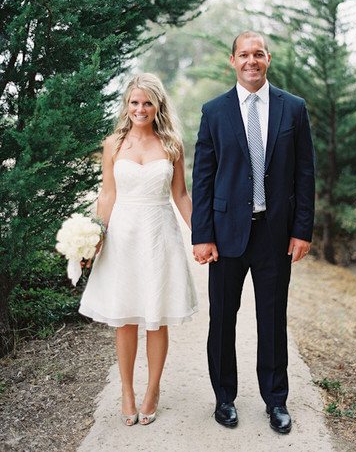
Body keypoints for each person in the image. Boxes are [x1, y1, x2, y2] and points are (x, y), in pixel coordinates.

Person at [191, 31, 315, 434]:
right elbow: (203, 178)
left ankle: (275, 401)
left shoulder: (293, 108)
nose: (251, 61)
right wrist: (202, 235)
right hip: (226, 234)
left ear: (268, 59)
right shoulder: (214, 111)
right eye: (244, 54)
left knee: (273, 320)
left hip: (275, 234)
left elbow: (305, 173)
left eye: (258, 54)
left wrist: (302, 230)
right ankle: (224, 398)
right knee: (222, 319)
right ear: (233, 61)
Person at [79, 73, 198, 426]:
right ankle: (127, 391)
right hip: (123, 237)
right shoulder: (113, 144)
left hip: (160, 235)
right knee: (126, 317)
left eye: (147, 103)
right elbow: (107, 195)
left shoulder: (172, 144)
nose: (140, 109)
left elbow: (181, 195)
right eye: (134, 102)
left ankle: (152, 389)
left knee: (156, 317)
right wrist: (95, 238)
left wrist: (202, 236)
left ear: (158, 105)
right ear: (127, 105)